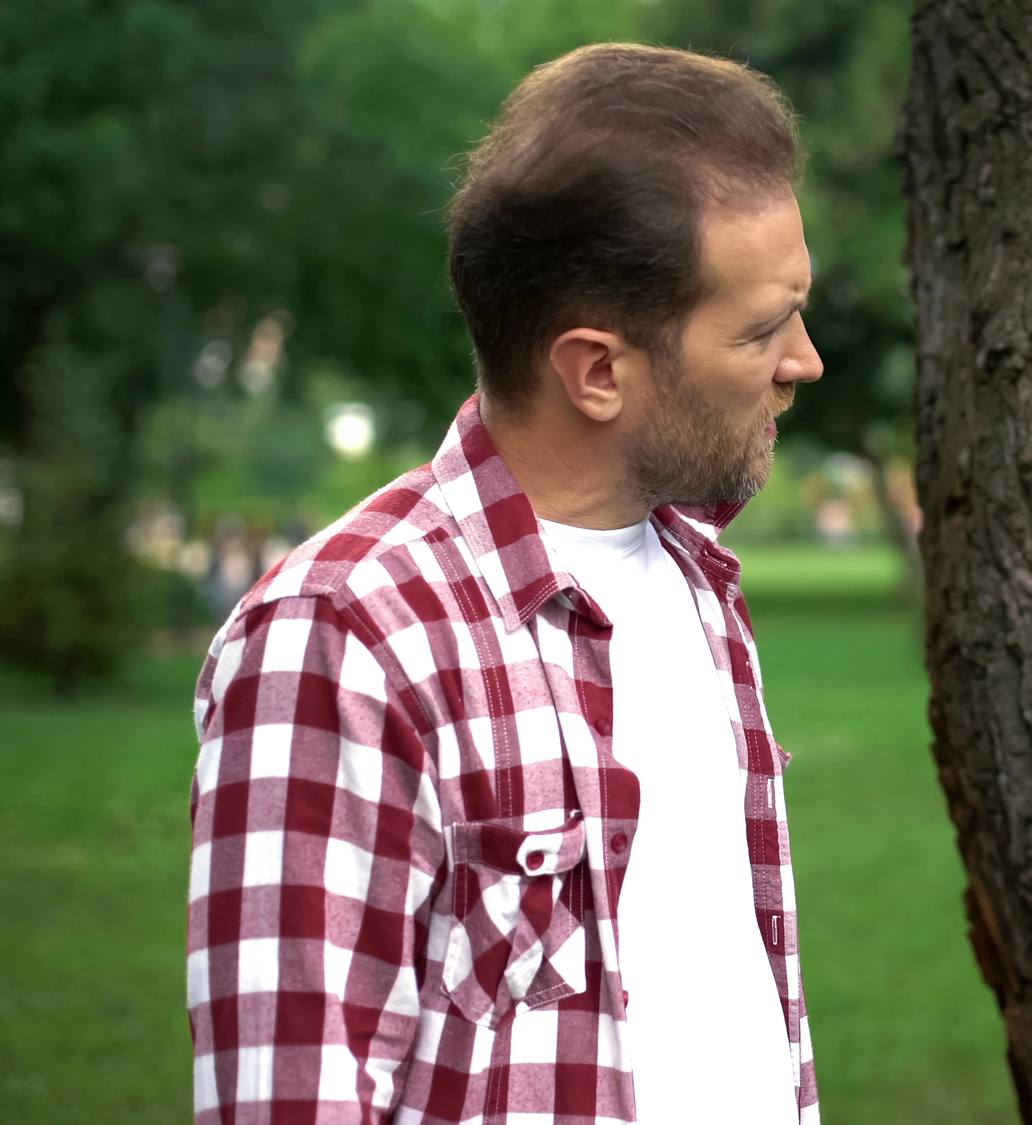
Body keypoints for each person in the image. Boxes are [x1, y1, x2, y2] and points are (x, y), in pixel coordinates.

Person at [187, 44, 824, 1123]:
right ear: (597, 370)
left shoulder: (696, 576)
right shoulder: (343, 634)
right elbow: (290, 1093)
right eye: (761, 328)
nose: (803, 360)